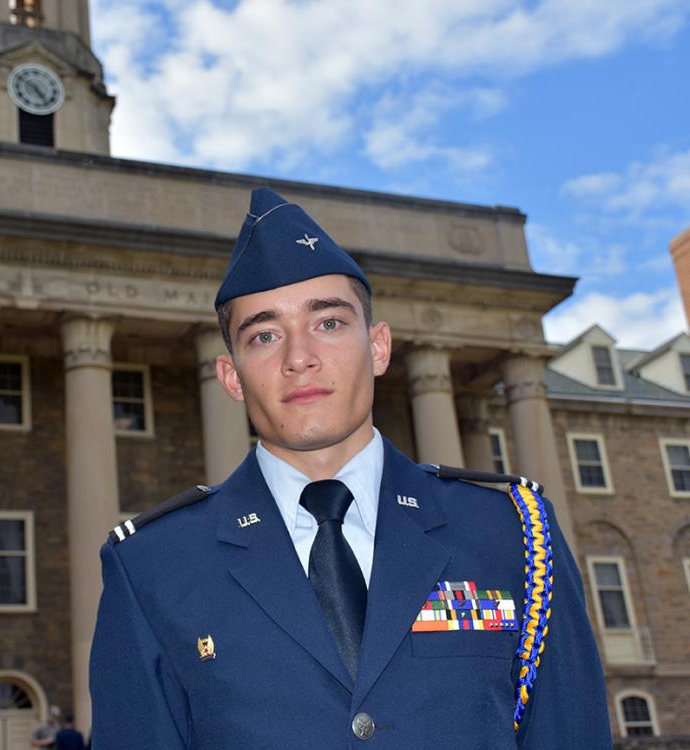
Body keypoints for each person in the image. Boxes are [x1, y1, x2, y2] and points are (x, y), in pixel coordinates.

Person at [90, 187, 612, 748]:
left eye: (330, 324)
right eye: (264, 335)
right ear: (232, 376)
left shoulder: (513, 532)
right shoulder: (153, 564)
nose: (298, 357)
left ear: (379, 346)